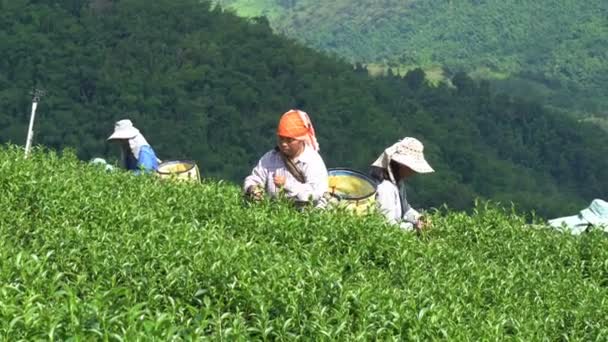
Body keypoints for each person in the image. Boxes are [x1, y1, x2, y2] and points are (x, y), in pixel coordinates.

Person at [244, 109, 328, 207]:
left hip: (307, 215)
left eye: (289, 140)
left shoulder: (312, 161)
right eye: (281, 138)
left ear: (301, 140)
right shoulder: (270, 158)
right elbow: (255, 177)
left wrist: (287, 185)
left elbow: (315, 193)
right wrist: (252, 188)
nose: (284, 144)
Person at [369, 137, 434, 231]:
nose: (413, 171)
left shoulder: (398, 183)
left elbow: (405, 209)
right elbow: (387, 226)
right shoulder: (385, 188)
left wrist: (419, 218)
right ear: (400, 165)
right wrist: (414, 228)